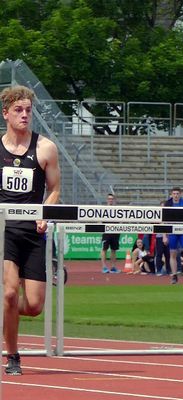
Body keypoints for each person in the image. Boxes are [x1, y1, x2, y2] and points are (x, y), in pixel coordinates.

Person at [1, 85, 61, 375]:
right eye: (18, 110)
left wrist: (45, 214)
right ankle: (13, 355)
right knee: (10, 294)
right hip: (4, 232)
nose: (25, 115)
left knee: (34, 305)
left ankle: (5, 313)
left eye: (28, 110)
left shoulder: (45, 147)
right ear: (6, 114)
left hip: (33, 232)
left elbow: (55, 189)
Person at [165, 187, 183, 284]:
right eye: (174, 193)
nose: (175, 195)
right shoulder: (168, 204)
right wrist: (164, 235)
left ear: (180, 194)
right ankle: (174, 275)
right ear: (171, 195)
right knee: (173, 254)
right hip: (172, 231)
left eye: (177, 193)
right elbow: (164, 221)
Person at [101, 193, 120, 273]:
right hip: (106, 231)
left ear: (114, 200)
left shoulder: (117, 210)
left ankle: (113, 267)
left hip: (115, 231)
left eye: (112, 199)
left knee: (114, 250)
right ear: (107, 200)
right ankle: (104, 267)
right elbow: (100, 220)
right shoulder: (104, 209)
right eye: (109, 199)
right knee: (104, 249)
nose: (110, 200)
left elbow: (120, 220)